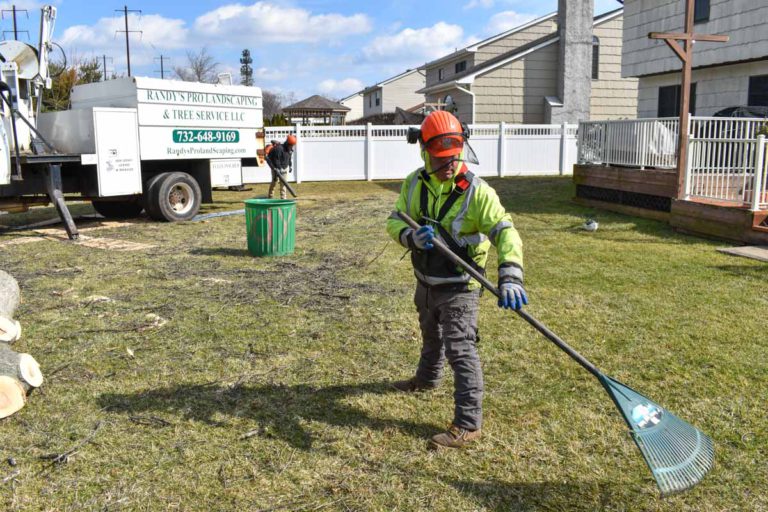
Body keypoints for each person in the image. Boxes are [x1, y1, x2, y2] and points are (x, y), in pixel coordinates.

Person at [386, 110, 527, 450]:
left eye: (454, 156)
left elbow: (505, 232)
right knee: (429, 334)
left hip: (461, 286)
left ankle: (467, 424)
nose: (449, 165)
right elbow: (394, 220)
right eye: (440, 158)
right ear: (424, 151)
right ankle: (427, 379)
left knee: (460, 350)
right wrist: (410, 236)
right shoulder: (414, 183)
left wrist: (511, 276)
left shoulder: (477, 192)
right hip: (425, 281)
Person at [266, 135, 296, 199]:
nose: (292, 146)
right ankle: (270, 196)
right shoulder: (279, 149)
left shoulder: (290, 150)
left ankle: (283, 198)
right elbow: (276, 160)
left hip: (285, 167)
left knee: (284, 183)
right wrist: (279, 168)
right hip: (276, 168)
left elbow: (289, 158)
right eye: (291, 145)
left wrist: (290, 166)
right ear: (287, 143)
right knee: (274, 182)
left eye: (292, 145)